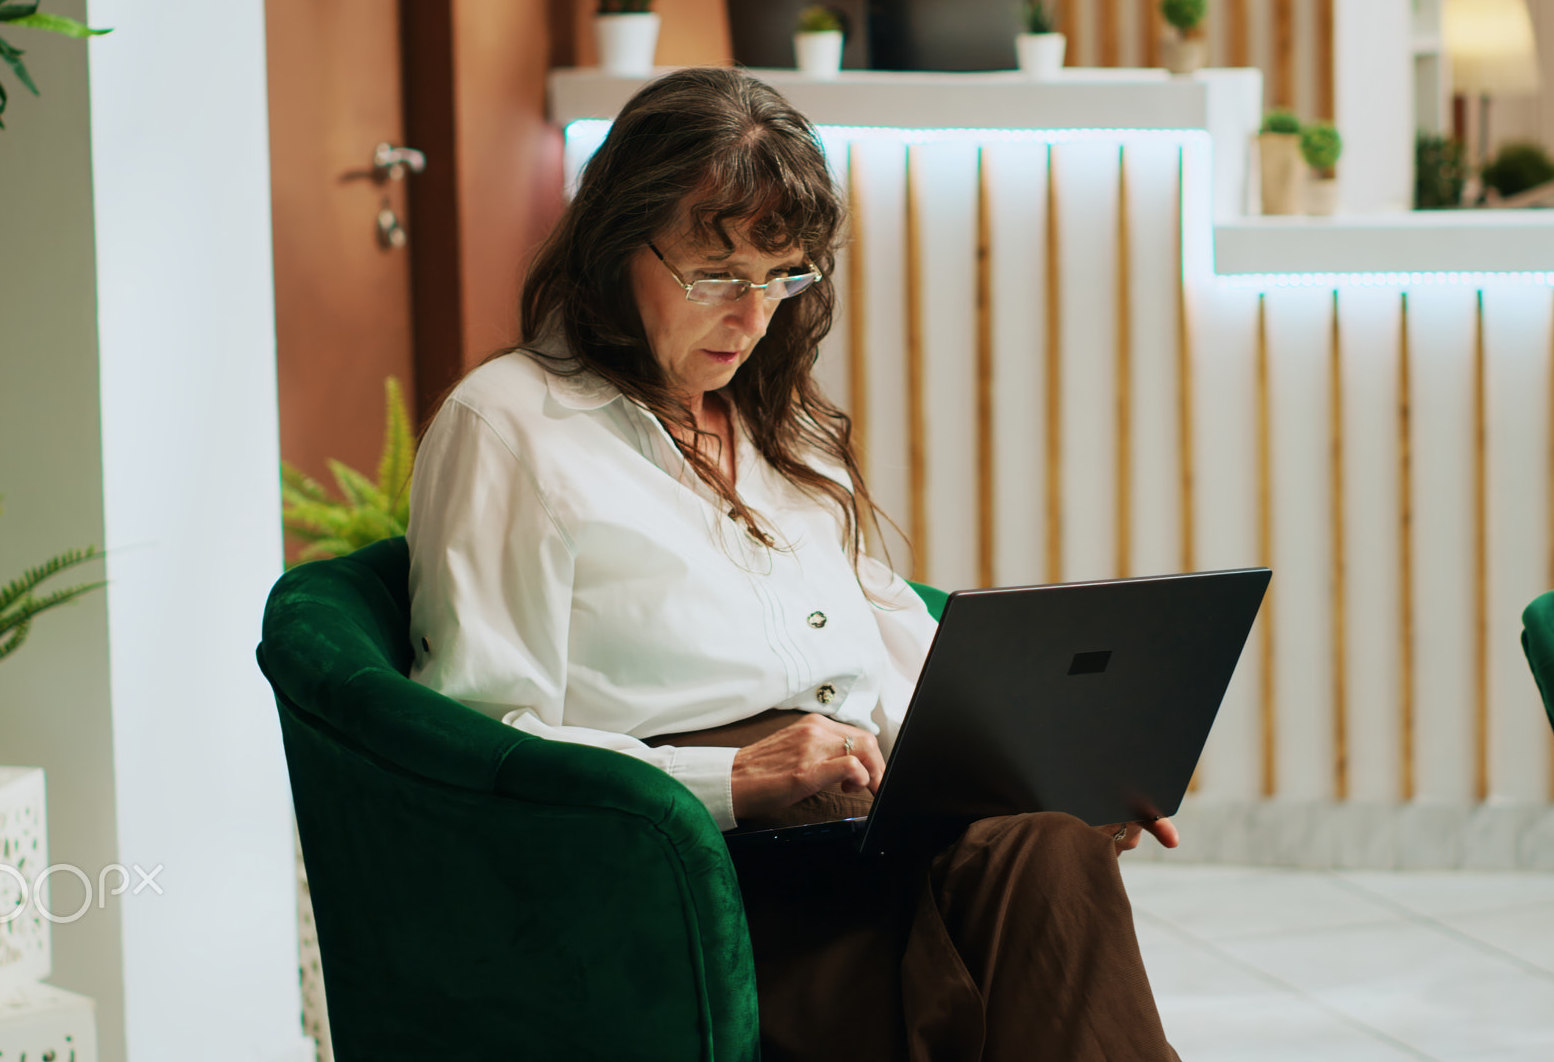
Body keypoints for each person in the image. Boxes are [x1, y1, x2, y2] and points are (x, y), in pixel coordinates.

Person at [405, 66, 1184, 1062]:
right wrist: (731, 776)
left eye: (783, 278)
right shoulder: (512, 425)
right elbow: (480, 738)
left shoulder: (783, 438)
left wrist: (1054, 771)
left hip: (857, 838)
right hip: (695, 880)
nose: (752, 317)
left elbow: (893, 642)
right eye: (717, 275)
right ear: (612, 247)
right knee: (1031, 913)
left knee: (1047, 844)